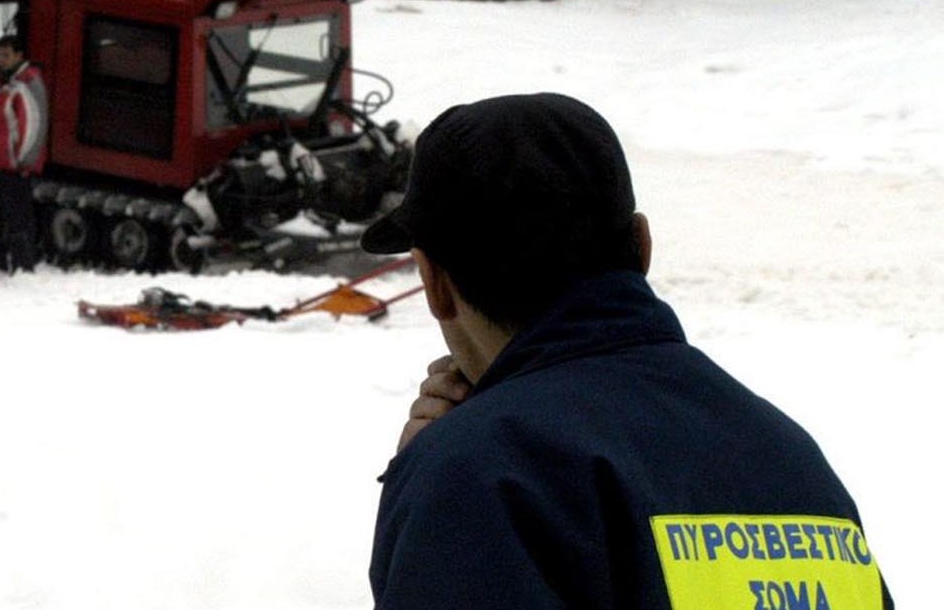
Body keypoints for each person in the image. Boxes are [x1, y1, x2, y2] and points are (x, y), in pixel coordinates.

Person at [360, 93, 893, 609]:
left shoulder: (481, 477)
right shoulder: (789, 459)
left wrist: (437, 479)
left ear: (433, 282)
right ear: (641, 246)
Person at [0, 34, 48, 273]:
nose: (1, 60)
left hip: (13, 165)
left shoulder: (27, 83)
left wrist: (23, 160)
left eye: (6, 55)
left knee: (17, 220)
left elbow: (34, 124)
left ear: (19, 56)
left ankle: (23, 267)